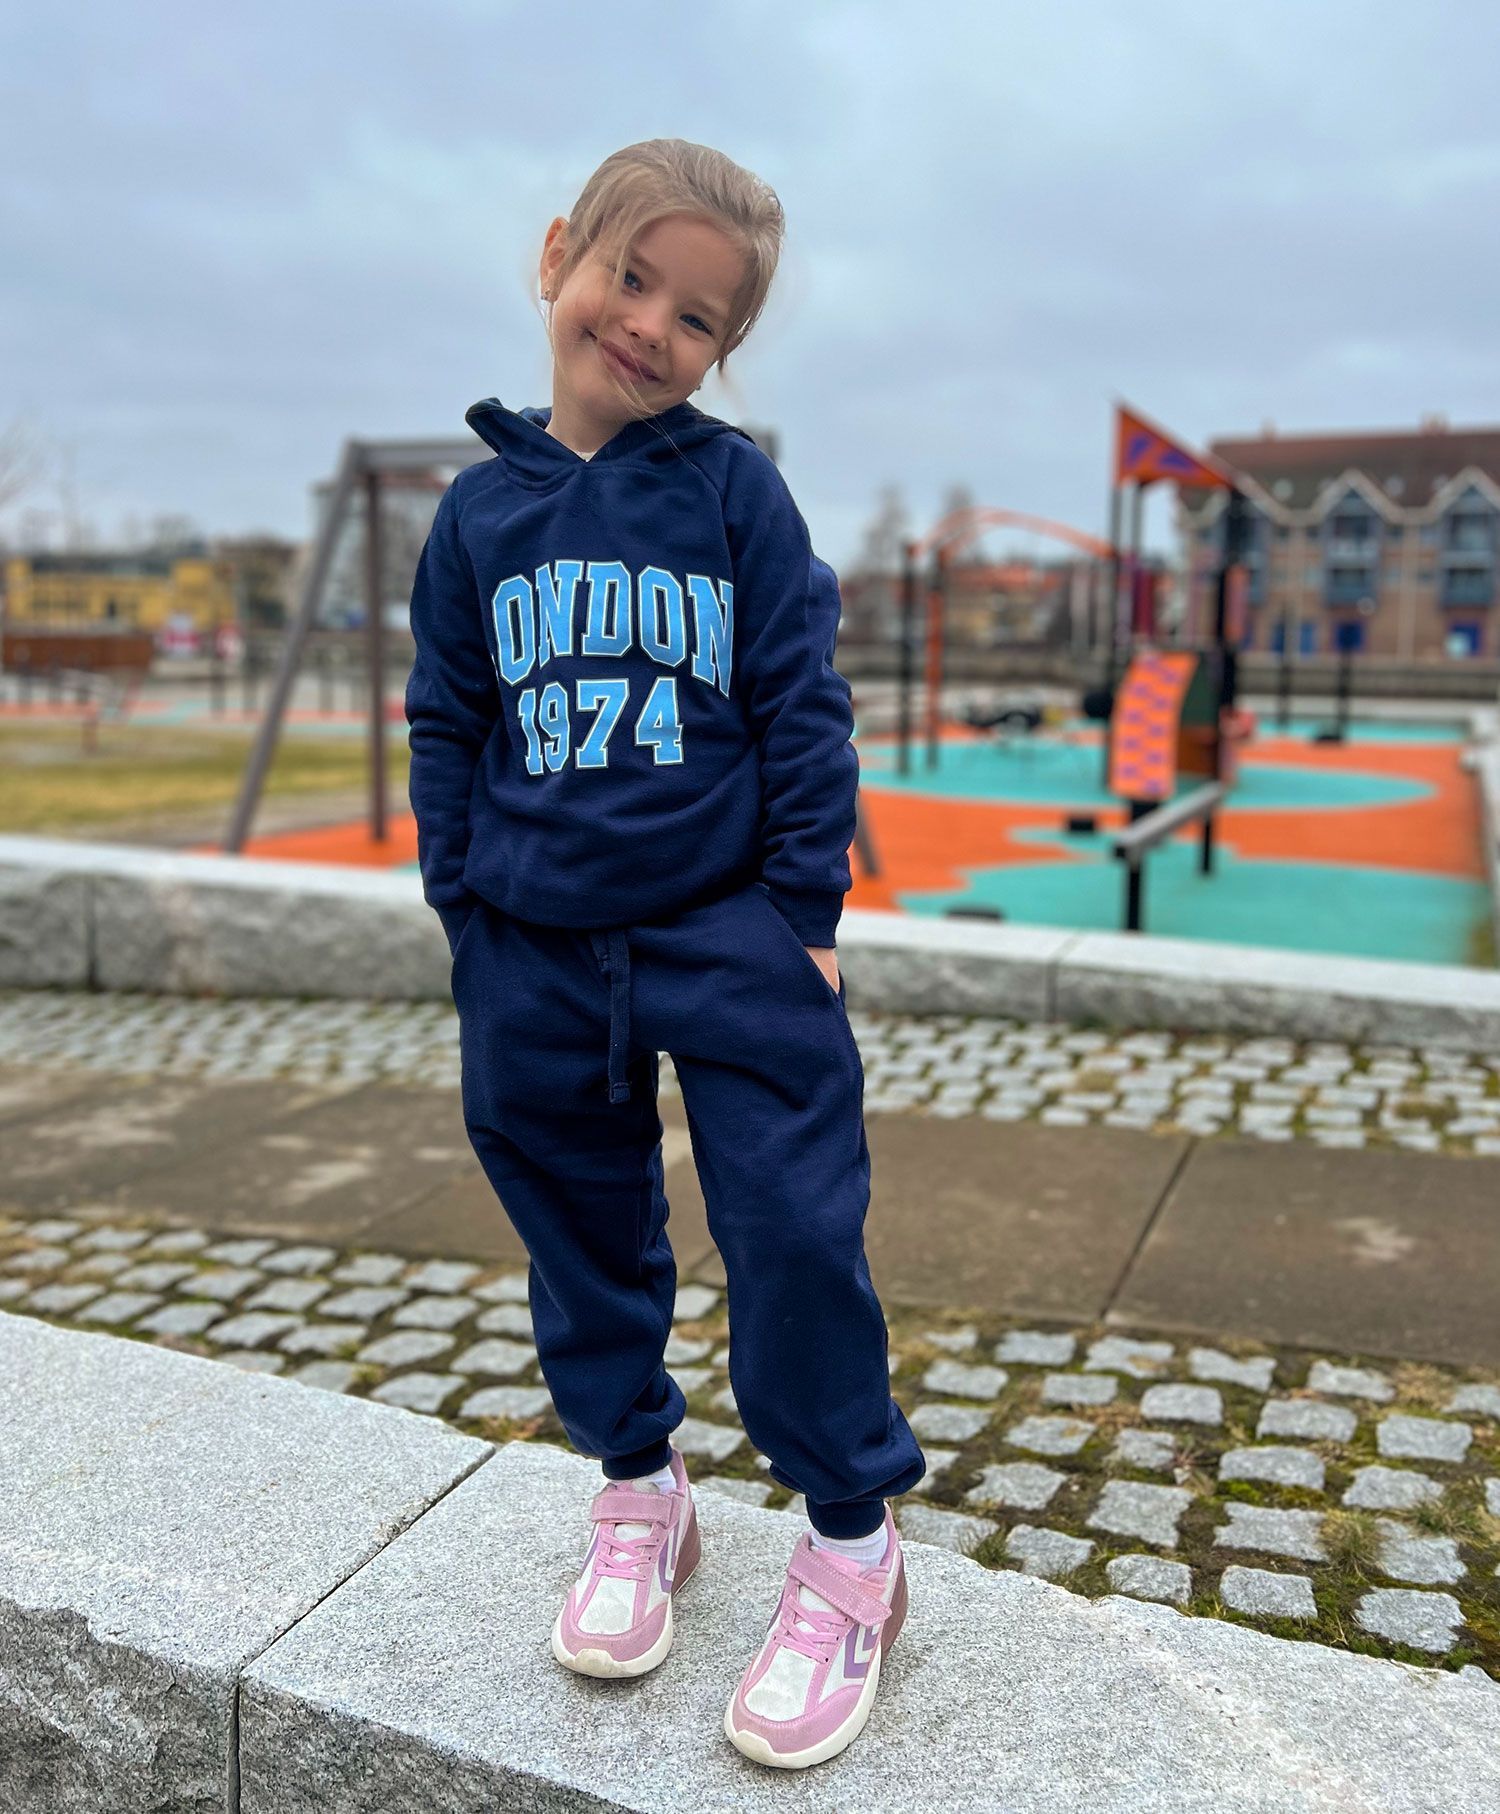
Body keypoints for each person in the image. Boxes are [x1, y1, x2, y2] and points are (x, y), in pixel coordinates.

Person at [404, 137, 924, 1772]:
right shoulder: (475, 518)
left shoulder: (732, 491)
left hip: (727, 932)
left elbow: (803, 706)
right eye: (628, 278)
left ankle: (852, 1540)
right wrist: (466, 905)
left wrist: (802, 919)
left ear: (722, 349)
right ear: (559, 254)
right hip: (534, 944)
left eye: (694, 316)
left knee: (791, 1224)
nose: (647, 325)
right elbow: (446, 718)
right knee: (576, 1224)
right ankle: (640, 1486)